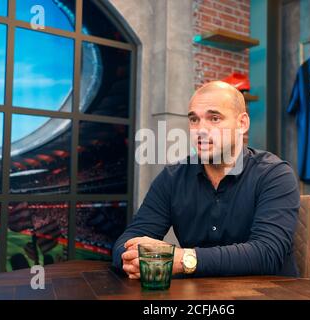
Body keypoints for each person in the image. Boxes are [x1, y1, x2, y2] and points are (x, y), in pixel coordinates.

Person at [112, 81, 300, 279]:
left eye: (214, 118)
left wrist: (184, 259)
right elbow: (126, 242)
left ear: (242, 123)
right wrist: (131, 258)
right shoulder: (172, 177)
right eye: (194, 120)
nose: (200, 130)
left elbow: (267, 254)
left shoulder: (275, 175)